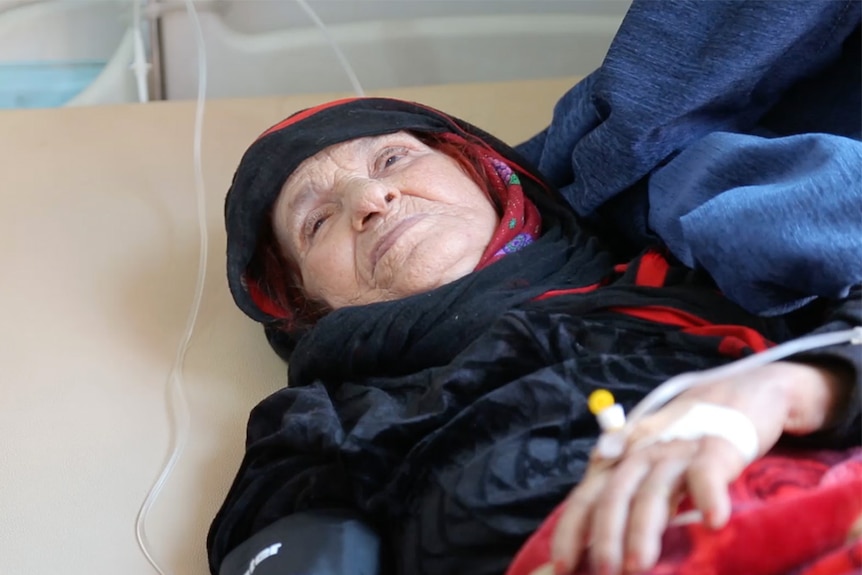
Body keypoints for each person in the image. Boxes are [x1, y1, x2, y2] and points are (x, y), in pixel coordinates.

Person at [207, 96, 860, 575]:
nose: (371, 201)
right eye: (317, 220)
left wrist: (793, 386)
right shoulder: (321, 424)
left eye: (393, 157)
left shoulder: (688, 258)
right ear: (304, 306)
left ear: (486, 169)